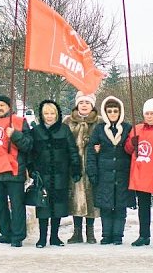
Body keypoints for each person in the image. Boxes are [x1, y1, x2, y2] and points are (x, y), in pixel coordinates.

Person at [0, 95, 32, 247]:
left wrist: (15, 135)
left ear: (9, 107)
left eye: (3, 105)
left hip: (14, 170)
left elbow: (28, 145)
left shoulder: (19, 122)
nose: (0, 108)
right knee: (0, 205)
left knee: (17, 205)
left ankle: (18, 236)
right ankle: (6, 233)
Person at [30, 100, 81, 248]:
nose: (49, 116)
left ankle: (54, 237)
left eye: (52, 113)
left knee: (58, 206)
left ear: (57, 114)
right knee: (43, 206)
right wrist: (32, 170)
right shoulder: (36, 131)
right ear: (42, 114)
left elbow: (72, 150)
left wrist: (75, 168)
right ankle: (42, 238)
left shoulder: (64, 130)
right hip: (42, 175)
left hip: (61, 174)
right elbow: (31, 153)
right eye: (46, 113)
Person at [124, 98, 153, 248]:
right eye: (147, 113)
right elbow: (127, 150)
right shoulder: (137, 129)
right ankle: (144, 235)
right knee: (143, 208)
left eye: (152, 113)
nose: (149, 116)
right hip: (141, 174)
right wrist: (132, 143)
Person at [86, 96, 134, 245]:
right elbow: (91, 153)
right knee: (106, 206)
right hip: (104, 175)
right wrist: (92, 172)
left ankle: (118, 235)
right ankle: (106, 235)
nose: (113, 113)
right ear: (105, 112)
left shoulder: (127, 128)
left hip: (123, 174)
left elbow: (132, 150)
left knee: (120, 207)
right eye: (109, 111)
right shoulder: (99, 129)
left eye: (115, 111)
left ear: (120, 112)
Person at [63, 91, 101, 244]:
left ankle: (90, 232)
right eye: (81, 103)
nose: (84, 105)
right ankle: (77, 232)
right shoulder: (68, 121)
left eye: (87, 103)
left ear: (92, 105)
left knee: (91, 198)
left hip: (93, 166)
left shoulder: (99, 122)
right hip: (75, 166)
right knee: (75, 198)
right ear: (77, 104)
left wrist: (100, 149)